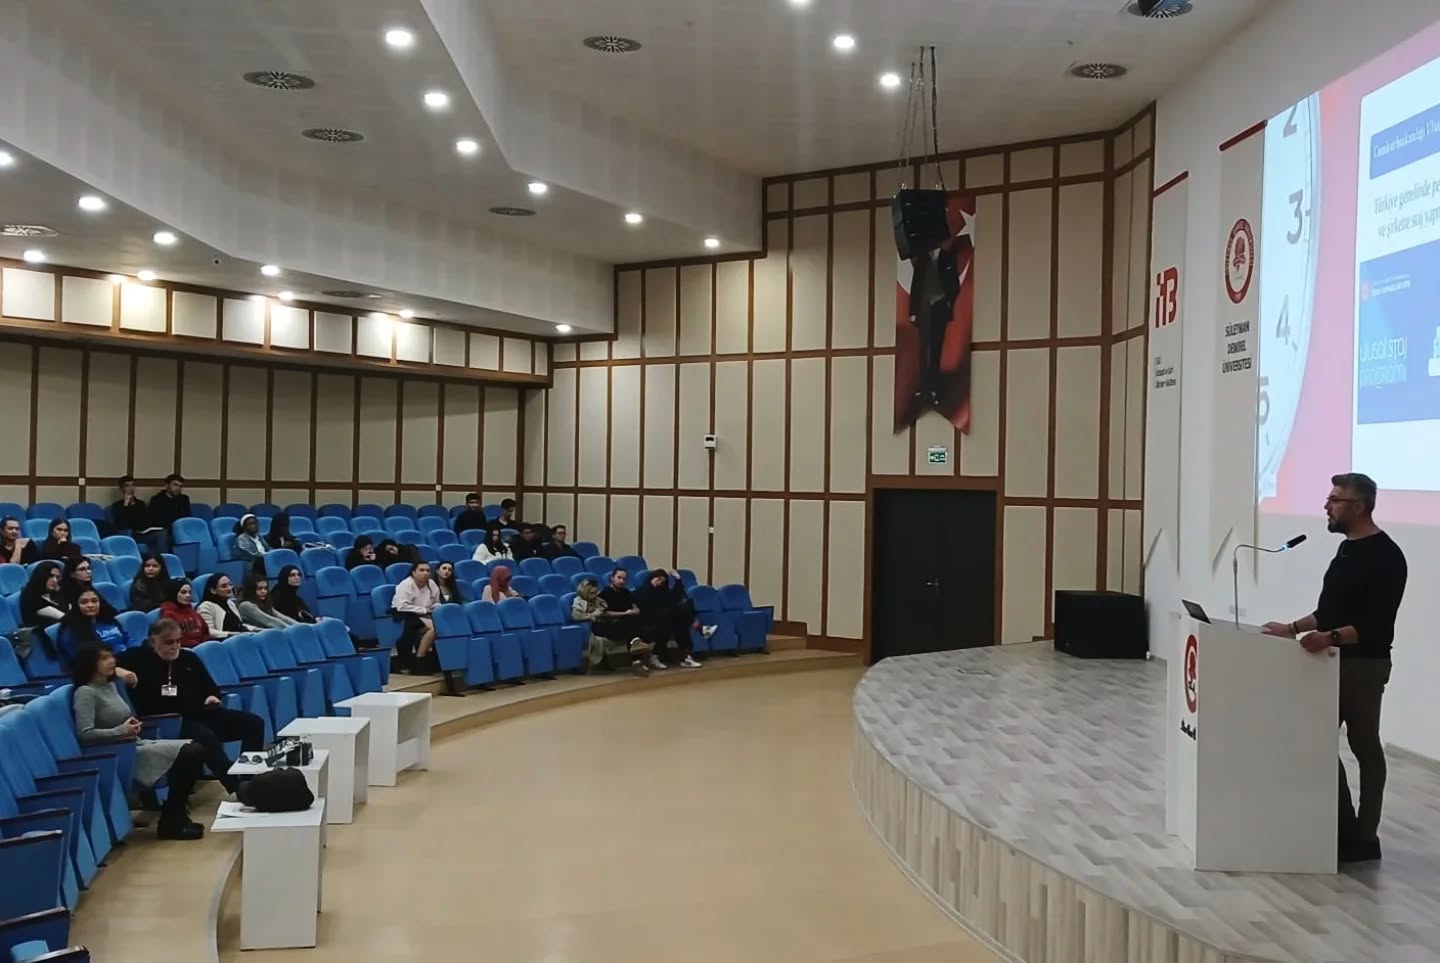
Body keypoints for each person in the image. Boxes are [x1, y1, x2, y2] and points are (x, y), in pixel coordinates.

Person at [1262, 472, 1407, 864]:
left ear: (1358, 507)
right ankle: (1342, 826)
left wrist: (1330, 637)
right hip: (1332, 661)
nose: (1326, 506)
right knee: (1317, 740)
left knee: (1364, 745)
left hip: (1363, 666)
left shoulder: (1387, 556)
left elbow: (1376, 625)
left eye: (1334, 500)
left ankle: (1365, 837)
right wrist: (1291, 628)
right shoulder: (1346, 551)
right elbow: (1329, 611)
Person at [72, 643, 208, 840]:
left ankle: (174, 816)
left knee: (195, 749)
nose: (111, 661)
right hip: (118, 753)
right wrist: (121, 730)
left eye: (111, 656)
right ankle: (173, 819)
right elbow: (84, 734)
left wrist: (131, 725)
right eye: (104, 658)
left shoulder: (111, 686)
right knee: (190, 752)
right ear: (89, 664)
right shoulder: (85, 692)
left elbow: (120, 717)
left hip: (134, 743)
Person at [117, 618, 267, 796]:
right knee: (206, 736)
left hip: (201, 712)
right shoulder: (135, 657)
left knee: (254, 723)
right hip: (170, 721)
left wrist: (212, 697)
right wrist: (120, 671)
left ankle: (250, 779)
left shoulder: (188, 657)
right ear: (152, 641)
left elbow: (211, 688)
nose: (175, 646)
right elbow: (102, 665)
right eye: (169, 642)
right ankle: (236, 787)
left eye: (178, 641)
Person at [571, 576, 652, 675]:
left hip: (607, 624)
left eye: (596, 592)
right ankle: (636, 648)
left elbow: (606, 610)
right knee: (630, 628)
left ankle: (636, 648)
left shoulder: (598, 600)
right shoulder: (579, 601)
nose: (595, 595)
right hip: (596, 626)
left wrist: (603, 612)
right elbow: (576, 616)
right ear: (585, 592)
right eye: (592, 593)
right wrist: (592, 615)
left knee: (631, 622)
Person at [635, 570, 704, 669]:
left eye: (662, 581)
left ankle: (686, 657)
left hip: (663, 619)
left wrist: (678, 579)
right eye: (658, 579)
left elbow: (676, 595)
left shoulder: (663, 593)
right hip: (647, 620)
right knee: (668, 624)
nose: (659, 582)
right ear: (652, 577)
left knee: (681, 623)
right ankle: (698, 626)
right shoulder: (640, 592)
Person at [56, 587, 132, 665]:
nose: (90, 605)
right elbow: (83, 661)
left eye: (94, 601)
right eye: (84, 602)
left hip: (128, 659)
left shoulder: (109, 620)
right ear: (76, 605)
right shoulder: (71, 631)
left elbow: (128, 639)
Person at [392, 561, 441, 672]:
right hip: (405, 613)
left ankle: (435, 660)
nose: (425, 573)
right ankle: (419, 659)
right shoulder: (406, 585)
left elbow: (436, 601)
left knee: (442, 626)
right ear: (413, 572)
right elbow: (402, 606)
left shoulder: (431, 583)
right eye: (421, 570)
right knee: (433, 629)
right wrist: (424, 610)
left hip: (426, 612)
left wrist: (435, 608)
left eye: (428, 570)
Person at [108, 475, 159, 548]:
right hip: (129, 534)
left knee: (161, 534)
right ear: (121, 488)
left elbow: (144, 521)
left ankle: (161, 555)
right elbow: (121, 524)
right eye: (127, 486)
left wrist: (133, 505)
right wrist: (125, 504)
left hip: (142, 533)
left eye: (133, 485)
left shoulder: (140, 504)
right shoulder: (117, 505)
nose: (131, 488)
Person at [159, 579, 210, 648]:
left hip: (201, 647)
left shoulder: (192, 611)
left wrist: (203, 645)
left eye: (189, 592)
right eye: (183, 592)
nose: (188, 595)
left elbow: (205, 631)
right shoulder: (168, 614)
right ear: (173, 593)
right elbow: (174, 639)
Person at [19, 561, 69, 628]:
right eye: (51, 576)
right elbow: (64, 617)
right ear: (41, 576)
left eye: (57, 577)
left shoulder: (55, 593)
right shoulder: (30, 596)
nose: (55, 580)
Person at [147, 474, 191, 544]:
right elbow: (155, 520)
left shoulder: (184, 499)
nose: (178, 488)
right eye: (175, 485)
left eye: (180, 486)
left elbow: (186, 517)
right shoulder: (157, 499)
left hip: (179, 529)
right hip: (163, 530)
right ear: (166, 485)